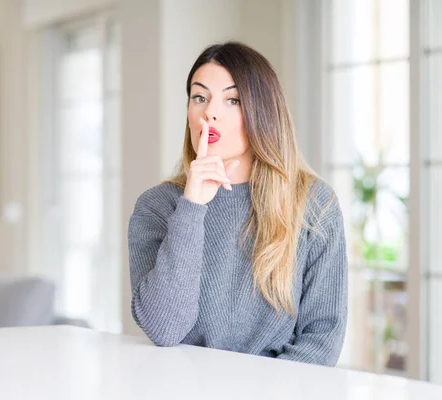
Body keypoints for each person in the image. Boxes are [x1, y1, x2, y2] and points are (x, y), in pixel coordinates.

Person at [127, 42, 348, 367]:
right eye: (199, 97)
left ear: (263, 112)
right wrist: (192, 207)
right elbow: (164, 329)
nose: (209, 112)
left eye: (233, 100)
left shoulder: (315, 204)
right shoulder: (157, 207)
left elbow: (321, 339)